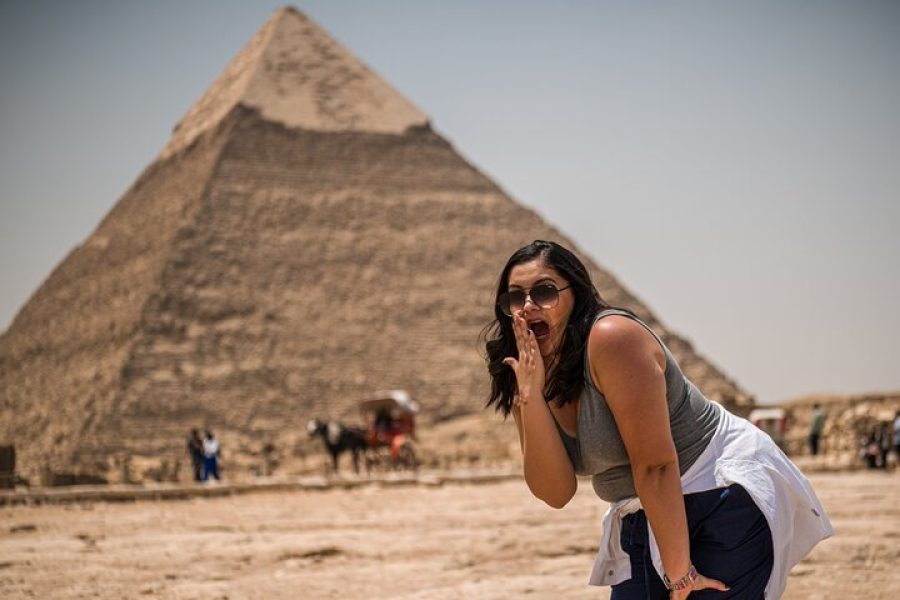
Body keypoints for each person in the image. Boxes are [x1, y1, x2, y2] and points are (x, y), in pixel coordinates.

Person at [484, 240, 832, 599]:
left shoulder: (612, 339)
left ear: (577, 293)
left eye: (544, 292)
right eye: (515, 297)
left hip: (718, 492)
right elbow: (556, 492)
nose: (527, 306)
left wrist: (679, 575)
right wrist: (530, 396)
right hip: (645, 509)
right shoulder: (525, 374)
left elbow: (656, 465)